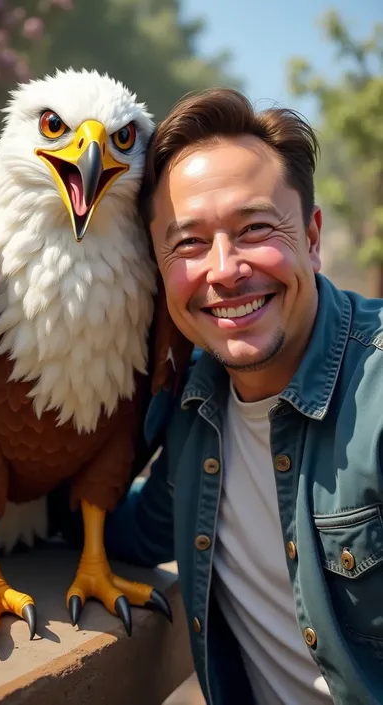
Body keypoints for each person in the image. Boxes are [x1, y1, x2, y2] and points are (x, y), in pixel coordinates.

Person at [102, 87, 383, 705]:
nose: (224, 269)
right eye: (189, 243)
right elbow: (137, 532)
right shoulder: (191, 406)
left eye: (255, 228)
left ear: (312, 238)